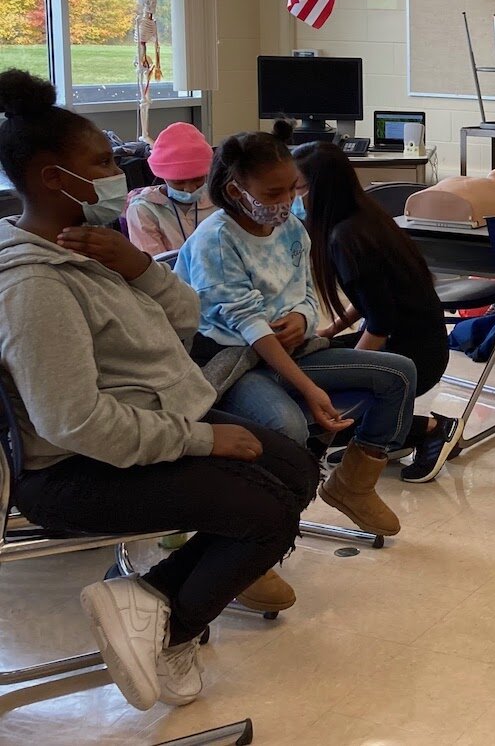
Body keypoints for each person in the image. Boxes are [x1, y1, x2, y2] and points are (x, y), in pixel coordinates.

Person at [0, 70, 318, 712]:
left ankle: (148, 600)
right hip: (76, 470)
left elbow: (182, 319)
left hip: (154, 422)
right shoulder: (35, 286)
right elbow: (72, 423)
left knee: (296, 467)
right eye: (101, 160)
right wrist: (202, 438)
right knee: (267, 511)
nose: (123, 166)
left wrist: (142, 270)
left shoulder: (89, 250)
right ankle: (170, 628)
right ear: (50, 176)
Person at [175, 131, 416, 538]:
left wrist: (303, 320)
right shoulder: (215, 241)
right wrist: (307, 387)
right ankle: (252, 533)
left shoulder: (291, 227)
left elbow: (305, 293)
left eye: (292, 187)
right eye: (274, 192)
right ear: (236, 190)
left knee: (399, 373)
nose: (288, 200)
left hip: (291, 351)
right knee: (287, 426)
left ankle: (352, 485)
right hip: (234, 361)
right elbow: (248, 326)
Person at [292, 140, 461, 482]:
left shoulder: (346, 237)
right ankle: (393, 435)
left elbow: (381, 321)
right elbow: (372, 299)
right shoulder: (363, 216)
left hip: (414, 356)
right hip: (420, 342)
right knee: (313, 374)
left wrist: (349, 367)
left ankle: (432, 428)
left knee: (321, 412)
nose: (292, 198)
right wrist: (330, 332)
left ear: (320, 190)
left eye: (297, 189)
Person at [125, 122, 215, 256]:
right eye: (179, 182)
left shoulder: (217, 200)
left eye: (198, 180)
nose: (189, 189)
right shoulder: (144, 209)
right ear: (164, 177)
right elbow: (154, 267)